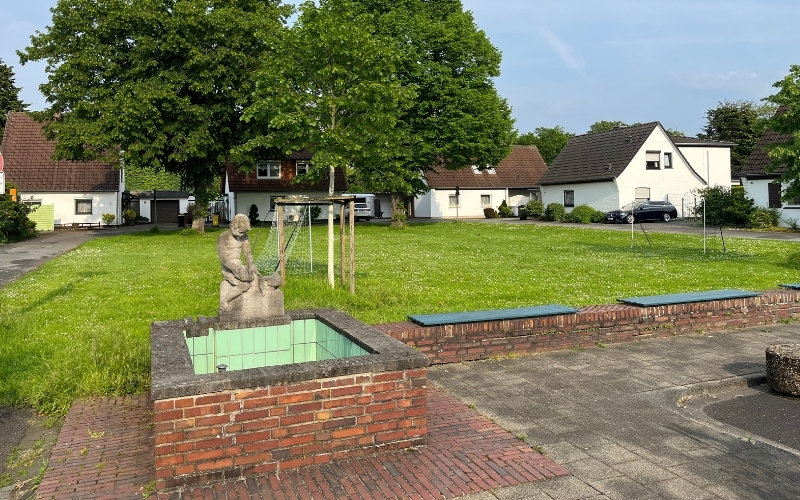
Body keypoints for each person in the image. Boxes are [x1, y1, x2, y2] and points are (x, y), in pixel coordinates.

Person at [217, 214, 281, 311]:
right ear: (232, 226)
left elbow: (248, 254)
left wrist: (250, 265)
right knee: (244, 285)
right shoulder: (222, 237)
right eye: (240, 232)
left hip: (239, 265)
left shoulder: (244, 237)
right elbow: (223, 258)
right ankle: (224, 302)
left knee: (255, 276)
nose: (241, 234)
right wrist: (235, 268)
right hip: (228, 267)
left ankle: (268, 288)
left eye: (244, 232)